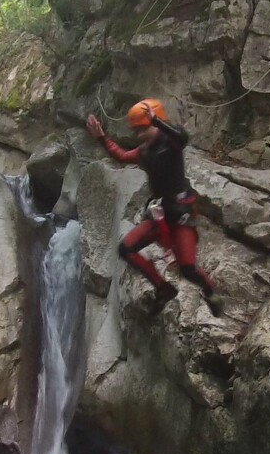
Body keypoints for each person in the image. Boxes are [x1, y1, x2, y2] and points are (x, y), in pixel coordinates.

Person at [85, 99, 224, 316]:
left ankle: (211, 291)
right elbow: (121, 156)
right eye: (137, 131)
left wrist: (157, 121)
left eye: (143, 129)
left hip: (181, 214)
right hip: (162, 213)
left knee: (188, 268)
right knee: (126, 249)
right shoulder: (145, 151)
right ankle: (163, 288)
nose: (140, 135)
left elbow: (182, 137)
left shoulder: (171, 143)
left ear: (155, 123)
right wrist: (102, 137)